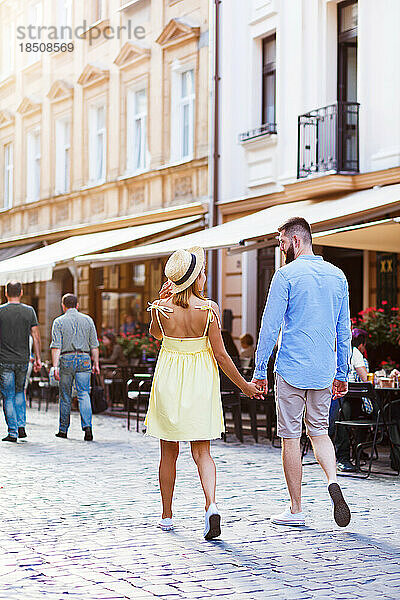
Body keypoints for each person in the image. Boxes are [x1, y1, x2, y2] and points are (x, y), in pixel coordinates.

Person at [145, 247, 260, 539]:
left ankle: (167, 515)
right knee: (202, 451)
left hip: (169, 377)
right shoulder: (209, 310)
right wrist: (244, 386)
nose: (205, 276)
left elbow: (156, 335)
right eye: (202, 273)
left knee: (168, 452)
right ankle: (211, 505)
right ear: (196, 279)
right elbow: (221, 356)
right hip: (200, 379)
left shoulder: (161, 309)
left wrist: (162, 300)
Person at [253, 217, 352, 528]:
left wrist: (259, 370)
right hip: (324, 369)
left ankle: (296, 509)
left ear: (295, 241)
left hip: (292, 368)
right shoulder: (338, 276)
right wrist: (342, 373)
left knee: (291, 438)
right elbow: (344, 331)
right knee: (320, 432)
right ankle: (332, 481)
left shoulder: (285, 276)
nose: (281, 248)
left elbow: (269, 327)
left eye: (282, 243)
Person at [50, 293, 100, 441]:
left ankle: (63, 430)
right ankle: (87, 428)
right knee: (84, 393)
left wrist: (54, 366)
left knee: (65, 395)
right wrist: (96, 363)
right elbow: (94, 345)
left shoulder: (58, 322)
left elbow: (56, 346)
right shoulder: (88, 320)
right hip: (85, 358)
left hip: (66, 358)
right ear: (77, 305)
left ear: (63, 306)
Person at [0, 281, 41, 442]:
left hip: (4, 360)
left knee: (8, 396)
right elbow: (36, 337)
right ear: (21, 293)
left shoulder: (1, 311)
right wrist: (37, 358)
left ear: (6, 293)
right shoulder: (29, 311)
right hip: (23, 359)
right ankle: (21, 425)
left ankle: (12, 432)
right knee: (19, 392)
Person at [331, 329, 374, 473]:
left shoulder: (327, 349)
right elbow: (366, 379)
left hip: (326, 400)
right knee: (347, 407)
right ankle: (346, 456)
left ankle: (347, 455)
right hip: (340, 401)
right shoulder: (353, 352)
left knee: (344, 407)